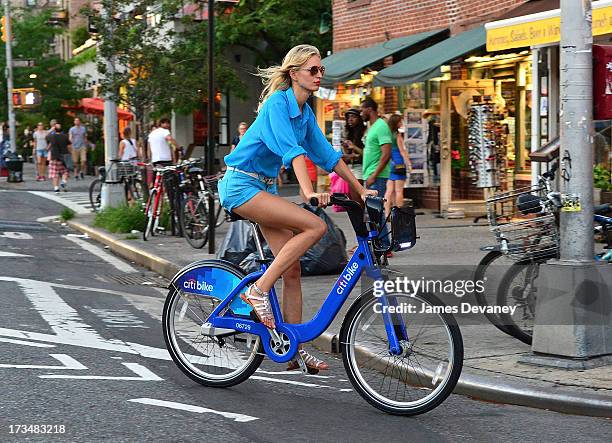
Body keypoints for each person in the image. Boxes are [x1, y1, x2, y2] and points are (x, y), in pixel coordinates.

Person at [218, 44, 377, 372]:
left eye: (321, 71)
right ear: (294, 74)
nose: (319, 76)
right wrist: (308, 191)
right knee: (314, 226)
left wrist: (361, 189)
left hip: (262, 187)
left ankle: (293, 349)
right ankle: (258, 291)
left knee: (292, 269)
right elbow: (292, 152)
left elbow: (328, 156)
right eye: (313, 70)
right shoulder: (278, 104)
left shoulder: (304, 113)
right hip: (241, 185)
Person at [361, 96, 392, 250]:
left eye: (362, 110)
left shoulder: (381, 126)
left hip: (377, 175)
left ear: (370, 109)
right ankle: (376, 242)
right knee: (372, 212)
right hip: (370, 174)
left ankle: (385, 244)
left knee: (377, 211)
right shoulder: (372, 126)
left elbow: (386, 154)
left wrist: (373, 175)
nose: (361, 113)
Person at [384, 114, 412, 216]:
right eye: (400, 122)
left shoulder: (387, 135)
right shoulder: (397, 135)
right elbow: (402, 151)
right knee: (399, 191)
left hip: (390, 164)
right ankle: (399, 214)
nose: (401, 123)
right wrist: (409, 164)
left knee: (389, 191)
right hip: (399, 163)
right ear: (396, 123)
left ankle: (387, 214)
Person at [46, 123, 72, 193]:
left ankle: (56, 188)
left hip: (54, 156)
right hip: (64, 156)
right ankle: (63, 181)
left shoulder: (51, 136)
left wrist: (51, 130)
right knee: (65, 171)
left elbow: (46, 136)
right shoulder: (65, 136)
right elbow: (69, 146)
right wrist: (70, 154)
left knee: (55, 174)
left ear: (55, 129)